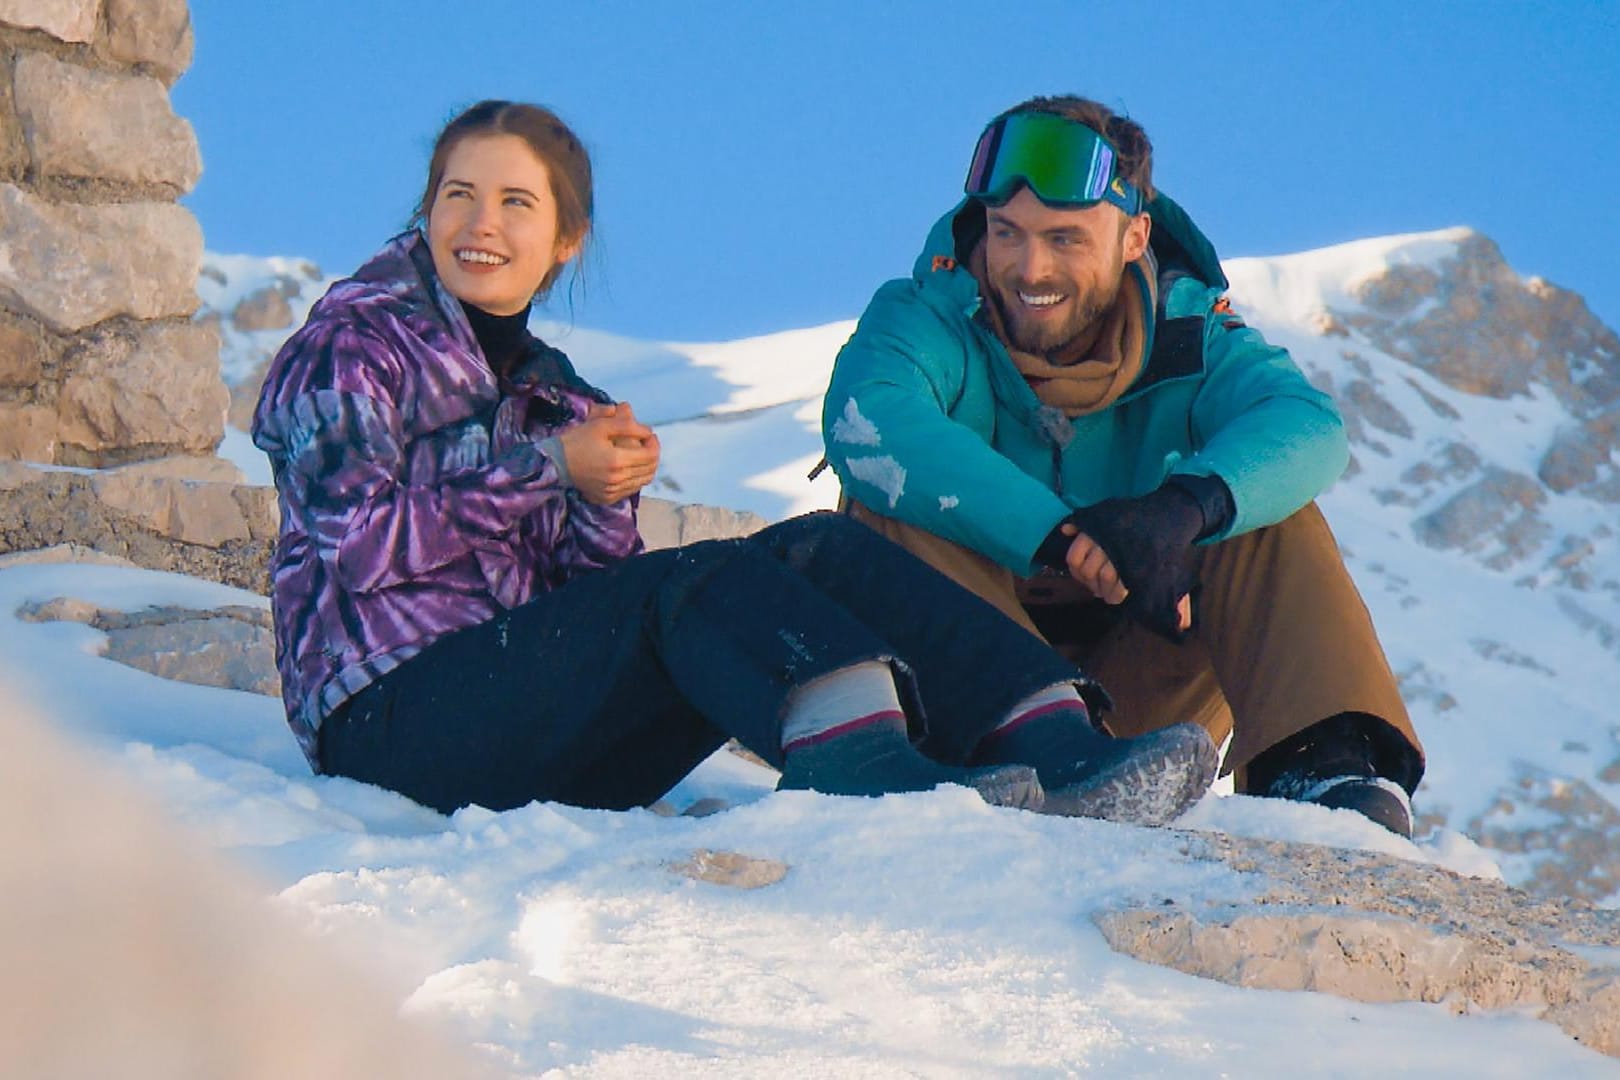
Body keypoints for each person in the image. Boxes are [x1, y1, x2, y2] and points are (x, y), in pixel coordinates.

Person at [251, 99, 1217, 825]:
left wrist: (598, 501)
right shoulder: (354, 347)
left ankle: (1053, 741)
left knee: (807, 550)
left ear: (563, 240)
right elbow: (359, 546)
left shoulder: (560, 394)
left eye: (515, 202)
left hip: (530, 740)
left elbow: (595, 622)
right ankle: (865, 766)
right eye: (457, 195)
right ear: (425, 212)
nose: (481, 224)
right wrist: (552, 472)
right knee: (697, 577)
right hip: (391, 731)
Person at [820, 95, 1424, 836]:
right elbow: (867, 420)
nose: (1028, 266)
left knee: (1263, 507)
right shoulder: (928, 313)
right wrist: (1060, 535)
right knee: (887, 497)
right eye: (1007, 232)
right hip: (962, 709)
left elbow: (1307, 426)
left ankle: (1321, 769)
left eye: (1066, 238)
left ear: (1135, 237)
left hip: (1126, 722)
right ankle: (1023, 740)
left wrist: (1180, 512)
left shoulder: (1191, 335)